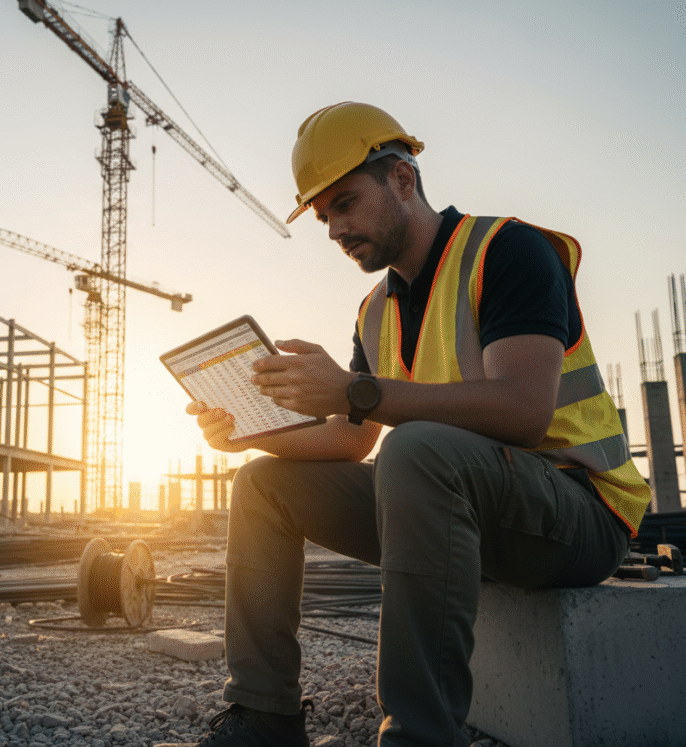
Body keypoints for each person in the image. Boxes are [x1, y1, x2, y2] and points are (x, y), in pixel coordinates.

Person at [156, 102, 650, 747]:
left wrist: (354, 389)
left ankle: (420, 737)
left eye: (346, 202)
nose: (334, 228)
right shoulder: (374, 309)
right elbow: (352, 436)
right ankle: (264, 717)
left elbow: (523, 411)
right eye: (324, 215)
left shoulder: (507, 250)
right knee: (262, 486)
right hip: (467, 513)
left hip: (577, 515)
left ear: (404, 181)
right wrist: (250, 433)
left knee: (414, 451)